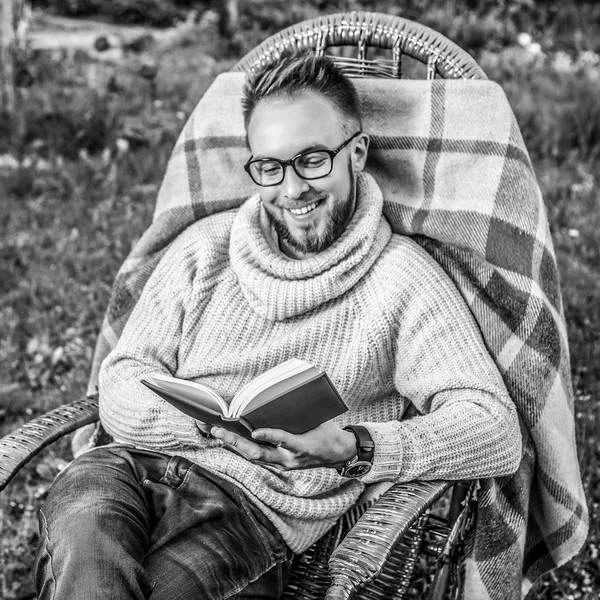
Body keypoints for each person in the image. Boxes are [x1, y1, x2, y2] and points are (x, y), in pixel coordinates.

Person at [35, 50, 522, 600]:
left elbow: (493, 429)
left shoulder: (403, 280)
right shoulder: (203, 250)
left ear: (356, 153)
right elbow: (123, 375)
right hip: (127, 471)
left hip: (250, 512)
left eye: (312, 160)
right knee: (87, 548)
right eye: (269, 167)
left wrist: (358, 448)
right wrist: (205, 429)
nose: (292, 190)